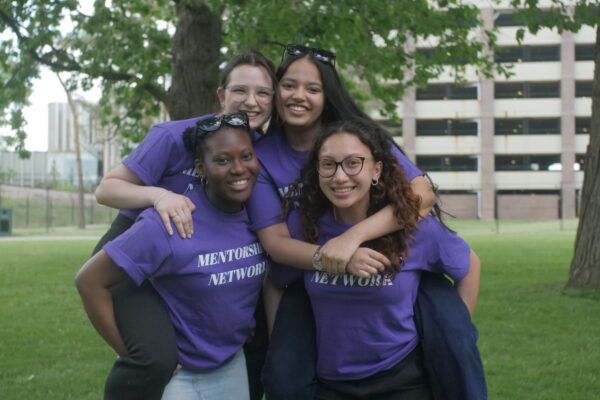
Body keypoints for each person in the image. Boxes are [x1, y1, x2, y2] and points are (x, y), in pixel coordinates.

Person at [242, 45, 438, 399]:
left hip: (390, 270)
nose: (299, 96)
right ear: (276, 91)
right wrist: (335, 259)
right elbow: (275, 242)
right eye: (289, 85)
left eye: (313, 89)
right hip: (302, 280)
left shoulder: (353, 137)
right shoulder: (261, 156)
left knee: (453, 350)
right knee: (284, 379)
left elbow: (422, 195)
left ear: (327, 94)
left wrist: (353, 238)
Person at [90, 50, 277, 400]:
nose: (251, 101)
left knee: (253, 345)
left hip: (199, 260)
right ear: (222, 95)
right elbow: (106, 189)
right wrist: (159, 196)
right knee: (156, 358)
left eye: (263, 93)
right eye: (240, 90)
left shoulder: (263, 147)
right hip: (135, 255)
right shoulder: (174, 136)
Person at [290, 119, 481, 399]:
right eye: (328, 164)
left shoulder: (416, 230)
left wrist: (452, 334)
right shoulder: (307, 228)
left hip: (402, 380)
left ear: (376, 170)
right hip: (330, 383)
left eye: (353, 163)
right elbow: (277, 277)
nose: (340, 176)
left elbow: (470, 266)